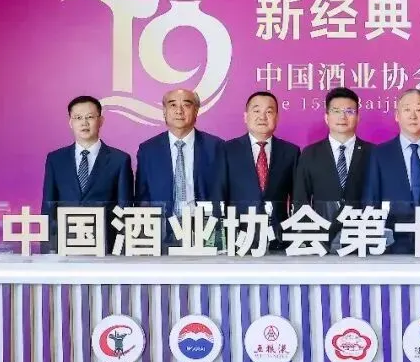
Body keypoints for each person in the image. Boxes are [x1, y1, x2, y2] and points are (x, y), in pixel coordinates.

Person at [362, 88, 420, 255]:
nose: (413, 116)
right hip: (392, 245)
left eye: (419, 110)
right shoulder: (380, 154)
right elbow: (371, 201)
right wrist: (372, 243)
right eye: (406, 110)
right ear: (397, 116)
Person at [41, 96, 133, 253]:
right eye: (78, 118)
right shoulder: (56, 159)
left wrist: (121, 251)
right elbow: (48, 207)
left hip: (106, 246)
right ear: (70, 122)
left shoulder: (119, 159)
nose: (84, 123)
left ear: (101, 120)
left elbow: (124, 209)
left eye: (90, 117)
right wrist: (47, 248)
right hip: (65, 244)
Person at [211, 91, 300, 250]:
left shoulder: (291, 152)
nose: (262, 117)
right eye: (256, 110)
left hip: (279, 239)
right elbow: (218, 195)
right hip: (237, 237)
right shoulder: (227, 150)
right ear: (246, 117)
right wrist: (220, 236)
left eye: (269, 112)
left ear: (277, 117)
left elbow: (297, 198)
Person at [134, 89, 223, 247]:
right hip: (161, 234)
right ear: (164, 111)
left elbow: (224, 193)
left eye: (186, 105)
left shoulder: (216, 147)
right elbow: (143, 197)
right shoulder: (148, 150)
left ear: (196, 110)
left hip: (205, 232)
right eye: (173, 105)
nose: (179, 111)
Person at [292, 87, 374, 248]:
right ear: (326, 117)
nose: (342, 116)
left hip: (363, 238)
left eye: (349, 111)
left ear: (358, 117)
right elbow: (301, 200)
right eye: (336, 111)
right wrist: (310, 238)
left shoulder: (373, 153)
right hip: (321, 239)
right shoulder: (310, 154)